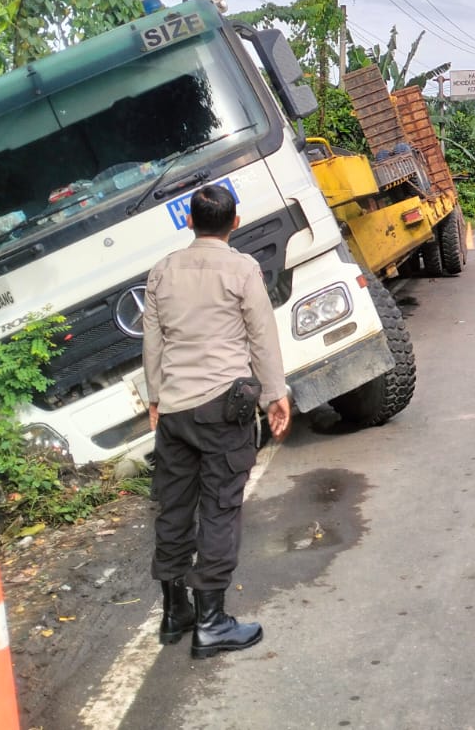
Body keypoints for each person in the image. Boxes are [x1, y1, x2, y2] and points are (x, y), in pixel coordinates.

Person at [143, 183, 291, 660]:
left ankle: (175, 612)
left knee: (173, 507)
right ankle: (211, 623)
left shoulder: (162, 270)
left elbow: (153, 341)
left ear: (189, 221)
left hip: (175, 411)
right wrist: (274, 394)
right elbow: (261, 336)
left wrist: (155, 398)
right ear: (235, 223)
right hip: (221, 409)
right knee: (220, 508)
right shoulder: (242, 269)